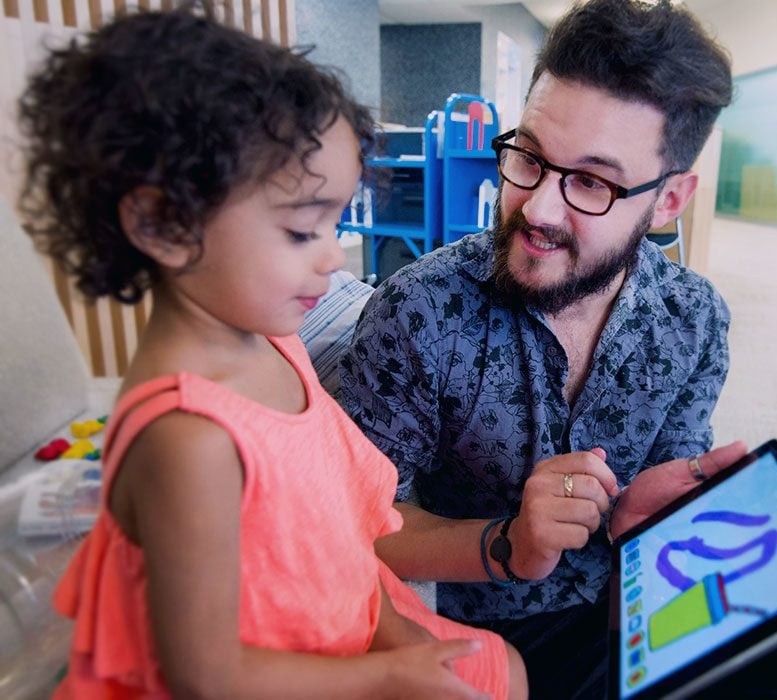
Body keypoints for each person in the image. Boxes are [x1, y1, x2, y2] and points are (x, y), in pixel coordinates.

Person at [329, 0, 777, 697]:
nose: (538, 208)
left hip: (642, 602)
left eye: (590, 181)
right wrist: (509, 543)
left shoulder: (694, 318)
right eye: (528, 157)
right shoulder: (421, 310)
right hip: (498, 631)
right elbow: (357, 530)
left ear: (671, 199)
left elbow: (660, 522)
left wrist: (647, 519)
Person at [17, 6, 527, 699]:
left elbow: (335, 529)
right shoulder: (186, 441)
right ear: (164, 223)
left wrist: (395, 635)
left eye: (335, 222)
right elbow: (205, 674)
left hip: (344, 614)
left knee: (507, 673)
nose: (331, 258)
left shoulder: (277, 339)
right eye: (299, 231)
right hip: (267, 674)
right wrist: (383, 676)